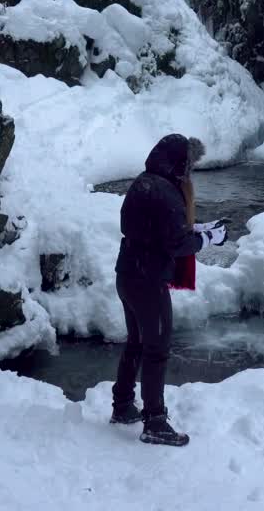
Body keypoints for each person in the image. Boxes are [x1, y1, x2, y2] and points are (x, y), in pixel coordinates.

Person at [110, 134, 227, 446]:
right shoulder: (166, 192)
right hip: (148, 282)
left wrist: (199, 230)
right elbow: (176, 243)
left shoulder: (143, 183)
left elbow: (155, 230)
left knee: (136, 342)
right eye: (188, 165)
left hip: (128, 274)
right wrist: (209, 239)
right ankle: (155, 421)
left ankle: (122, 405)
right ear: (179, 163)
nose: (188, 171)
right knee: (157, 349)